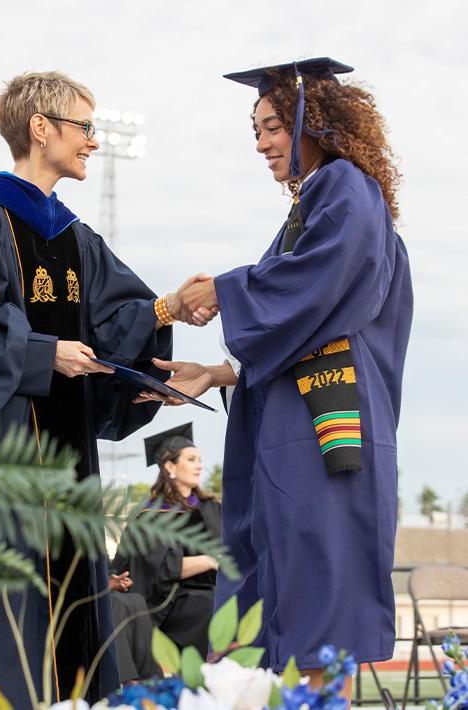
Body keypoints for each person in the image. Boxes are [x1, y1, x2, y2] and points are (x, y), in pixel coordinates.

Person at [0, 71, 207, 709]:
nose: (93, 141)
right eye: (84, 127)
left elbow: (116, 321)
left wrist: (167, 313)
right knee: (4, 625)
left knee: (67, 632)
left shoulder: (75, 238)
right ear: (41, 129)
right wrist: (39, 354)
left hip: (63, 472)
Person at [139, 58, 413, 702]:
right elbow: (308, 328)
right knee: (290, 580)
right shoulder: (316, 201)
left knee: (318, 592)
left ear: (312, 121)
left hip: (328, 424)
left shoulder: (345, 187)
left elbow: (313, 291)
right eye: (255, 131)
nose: (261, 143)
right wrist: (218, 371)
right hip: (300, 418)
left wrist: (224, 289)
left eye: (271, 126)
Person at [112, 424, 221, 659]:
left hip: (214, 590)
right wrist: (210, 561)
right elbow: (159, 571)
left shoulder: (211, 508)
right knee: (209, 603)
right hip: (170, 601)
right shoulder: (153, 515)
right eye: (191, 459)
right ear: (170, 466)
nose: (199, 465)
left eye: (200, 459)